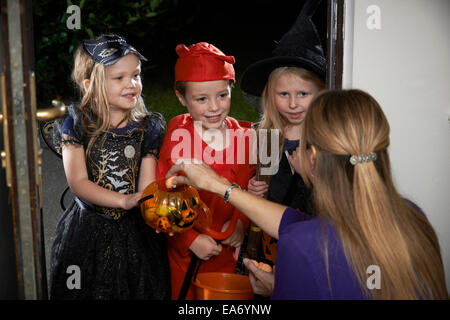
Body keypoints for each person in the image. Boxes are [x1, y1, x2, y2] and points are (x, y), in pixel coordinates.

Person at [165, 89, 449, 300]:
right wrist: (219, 186)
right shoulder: (412, 215)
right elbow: (298, 225)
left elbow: (305, 238)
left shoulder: (302, 246)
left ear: (312, 156)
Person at [50, 34, 171, 299]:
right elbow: (79, 183)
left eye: (136, 75)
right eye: (119, 78)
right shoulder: (77, 125)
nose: (132, 84)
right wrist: (124, 200)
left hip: (136, 234)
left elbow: (147, 186)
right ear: (89, 84)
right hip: (89, 229)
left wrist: (153, 210)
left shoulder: (147, 127)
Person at [155, 42, 255, 300]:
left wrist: (241, 225)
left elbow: (248, 188)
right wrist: (189, 240)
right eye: (201, 99)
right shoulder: (179, 136)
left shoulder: (243, 136)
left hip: (228, 249)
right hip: (188, 253)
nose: (214, 107)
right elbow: (163, 199)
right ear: (181, 98)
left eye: (222, 95)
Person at [240, 0, 326, 267]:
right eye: (283, 94)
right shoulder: (266, 135)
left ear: (321, 94)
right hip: (267, 246)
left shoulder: (325, 141)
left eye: (303, 94)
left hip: (310, 247)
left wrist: (307, 173)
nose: (292, 104)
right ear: (270, 96)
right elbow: (262, 191)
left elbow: (333, 202)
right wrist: (254, 191)